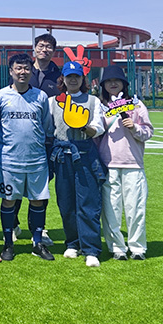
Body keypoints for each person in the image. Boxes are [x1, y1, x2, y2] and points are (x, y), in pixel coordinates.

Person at [0, 54, 55, 261]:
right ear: (11, 71)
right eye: (18, 68)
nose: (22, 72)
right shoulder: (0, 96)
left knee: (37, 201)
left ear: (31, 71)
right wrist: (3, 145)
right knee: (9, 201)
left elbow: (46, 126)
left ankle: (37, 243)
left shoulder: (40, 96)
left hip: (37, 160)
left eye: (26, 68)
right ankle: (8, 243)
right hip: (10, 161)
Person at [49, 61, 105, 267]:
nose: (73, 80)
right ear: (62, 79)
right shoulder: (53, 101)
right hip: (62, 155)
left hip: (84, 155)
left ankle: (91, 249)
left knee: (88, 203)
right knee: (66, 203)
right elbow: (48, 128)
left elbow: (98, 128)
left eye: (77, 76)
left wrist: (84, 126)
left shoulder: (93, 101)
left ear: (83, 79)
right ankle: (72, 243)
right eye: (69, 76)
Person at [11, 33, 62, 246]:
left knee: (41, 187)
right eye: (41, 45)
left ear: (53, 51)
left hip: (48, 140)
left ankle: (39, 229)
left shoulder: (59, 76)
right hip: (21, 140)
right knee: (15, 185)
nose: (44, 49)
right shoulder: (24, 70)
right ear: (35, 48)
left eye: (49, 46)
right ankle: (13, 224)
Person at [97, 66, 153, 261]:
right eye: (108, 81)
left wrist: (135, 127)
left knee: (135, 208)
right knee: (111, 209)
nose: (113, 84)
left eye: (117, 80)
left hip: (133, 164)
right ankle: (117, 248)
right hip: (108, 164)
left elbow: (148, 132)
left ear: (124, 84)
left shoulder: (136, 105)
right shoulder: (100, 107)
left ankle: (137, 248)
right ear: (103, 85)